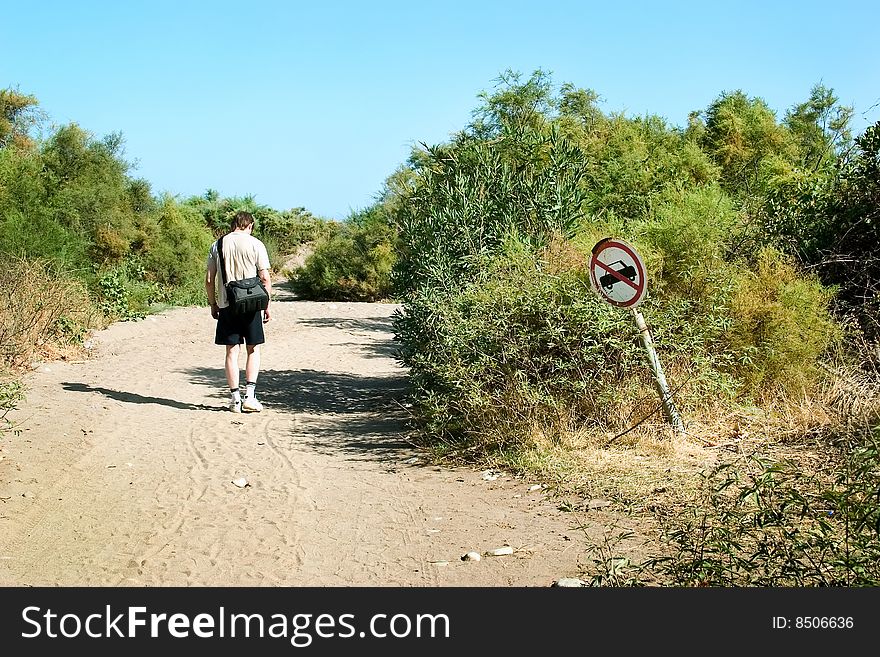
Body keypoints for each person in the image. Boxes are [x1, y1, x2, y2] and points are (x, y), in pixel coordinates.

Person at [205, 211, 272, 413]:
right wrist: (266, 305)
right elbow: (265, 278)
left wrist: (213, 303)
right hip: (251, 305)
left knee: (232, 351)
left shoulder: (217, 245)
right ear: (249, 225)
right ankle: (250, 397)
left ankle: (235, 400)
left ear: (233, 224)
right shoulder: (256, 244)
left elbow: (209, 280)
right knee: (253, 349)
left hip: (228, 305)